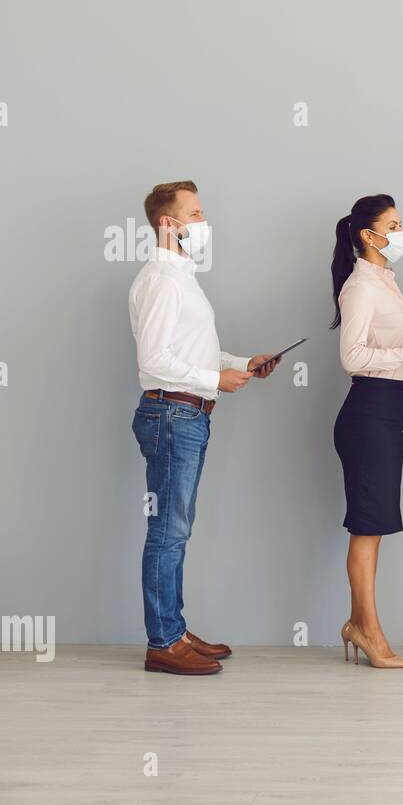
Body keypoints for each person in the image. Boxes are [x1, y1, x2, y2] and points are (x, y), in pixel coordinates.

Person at [130, 180, 281, 675]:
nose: (203, 222)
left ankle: (173, 629)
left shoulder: (182, 277)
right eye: (194, 214)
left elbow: (190, 352)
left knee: (177, 528)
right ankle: (163, 642)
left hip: (187, 414)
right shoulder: (161, 280)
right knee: (168, 530)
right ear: (167, 223)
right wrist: (215, 380)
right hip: (172, 414)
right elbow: (154, 360)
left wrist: (241, 363)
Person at [330, 195, 403, 670]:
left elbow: (390, 348)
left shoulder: (385, 281)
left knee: (375, 524)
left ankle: (358, 624)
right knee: (367, 526)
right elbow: (352, 357)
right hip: (369, 412)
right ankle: (368, 631)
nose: (401, 233)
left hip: (390, 408)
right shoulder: (361, 286)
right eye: (393, 225)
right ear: (369, 235)